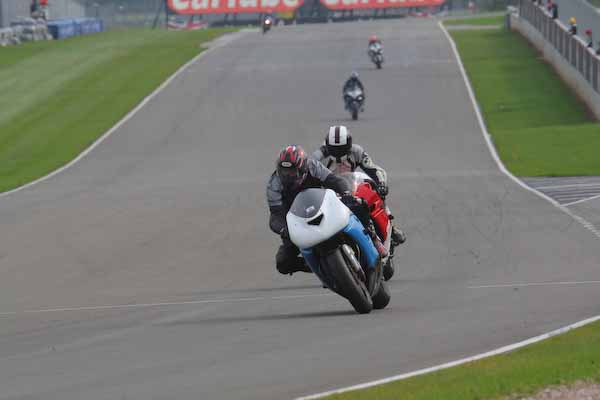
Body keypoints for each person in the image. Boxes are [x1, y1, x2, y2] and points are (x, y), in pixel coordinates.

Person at [266, 145, 388, 276]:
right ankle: (320, 267)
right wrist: (284, 229)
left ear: (302, 168)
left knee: (358, 204)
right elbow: (275, 216)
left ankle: (374, 238)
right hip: (298, 220)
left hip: (324, 206)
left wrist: (346, 193)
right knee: (283, 263)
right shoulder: (273, 186)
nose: (287, 176)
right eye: (284, 171)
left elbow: (335, 181)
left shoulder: (313, 166)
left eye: (291, 171)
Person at [312, 126, 407, 248]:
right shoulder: (318, 157)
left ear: (349, 145)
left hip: (351, 186)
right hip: (329, 191)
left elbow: (374, 169)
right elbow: (309, 173)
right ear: (327, 146)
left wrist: (382, 183)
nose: (338, 153)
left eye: (341, 149)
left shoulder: (357, 151)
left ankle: (391, 227)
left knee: (375, 192)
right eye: (334, 149)